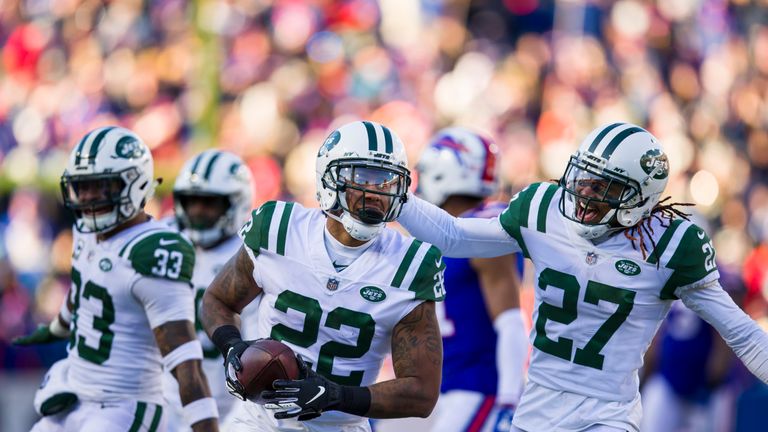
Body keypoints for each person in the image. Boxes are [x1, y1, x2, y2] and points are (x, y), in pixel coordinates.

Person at [394, 122, 768, 432]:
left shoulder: (670, 246)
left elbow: (743, 334)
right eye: (584, 178)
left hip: (607, 416)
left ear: (639, 197)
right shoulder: (544, 210)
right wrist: (394, 196)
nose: (585, 193)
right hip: (536, 411)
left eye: (604, 187)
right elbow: (453, 236)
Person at [200, 120, 445, 432]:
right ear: (328, 179)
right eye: (363, 177)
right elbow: (217, 299)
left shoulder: (410, 265)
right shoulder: (279, 229)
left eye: (387, 181)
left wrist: (335, 395)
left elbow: (421, 393)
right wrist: (231, 345)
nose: (376, 192)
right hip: (258, 423)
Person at [13, 126, 218, 432]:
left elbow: (186, 363)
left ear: (135, 184)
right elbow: (84, 290)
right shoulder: (85, 231)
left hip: (124, 407)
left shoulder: (152, 252)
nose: (88, 197)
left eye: (101, 187)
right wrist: (56, 327)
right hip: (75, 394)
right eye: (82, 187)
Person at [415, 127, 528, 432]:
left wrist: (509, 400)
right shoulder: (443, 233)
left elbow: (511, 321)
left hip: (480, 388)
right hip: (447, 388)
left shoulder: (483, 229)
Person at [161, 150, 256, 431]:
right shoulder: (165, 242)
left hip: (224, 404)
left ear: (236, 203)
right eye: (191, 201)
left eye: (209, 203)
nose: (197, 211)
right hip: (164, 402)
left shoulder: (251, 255)